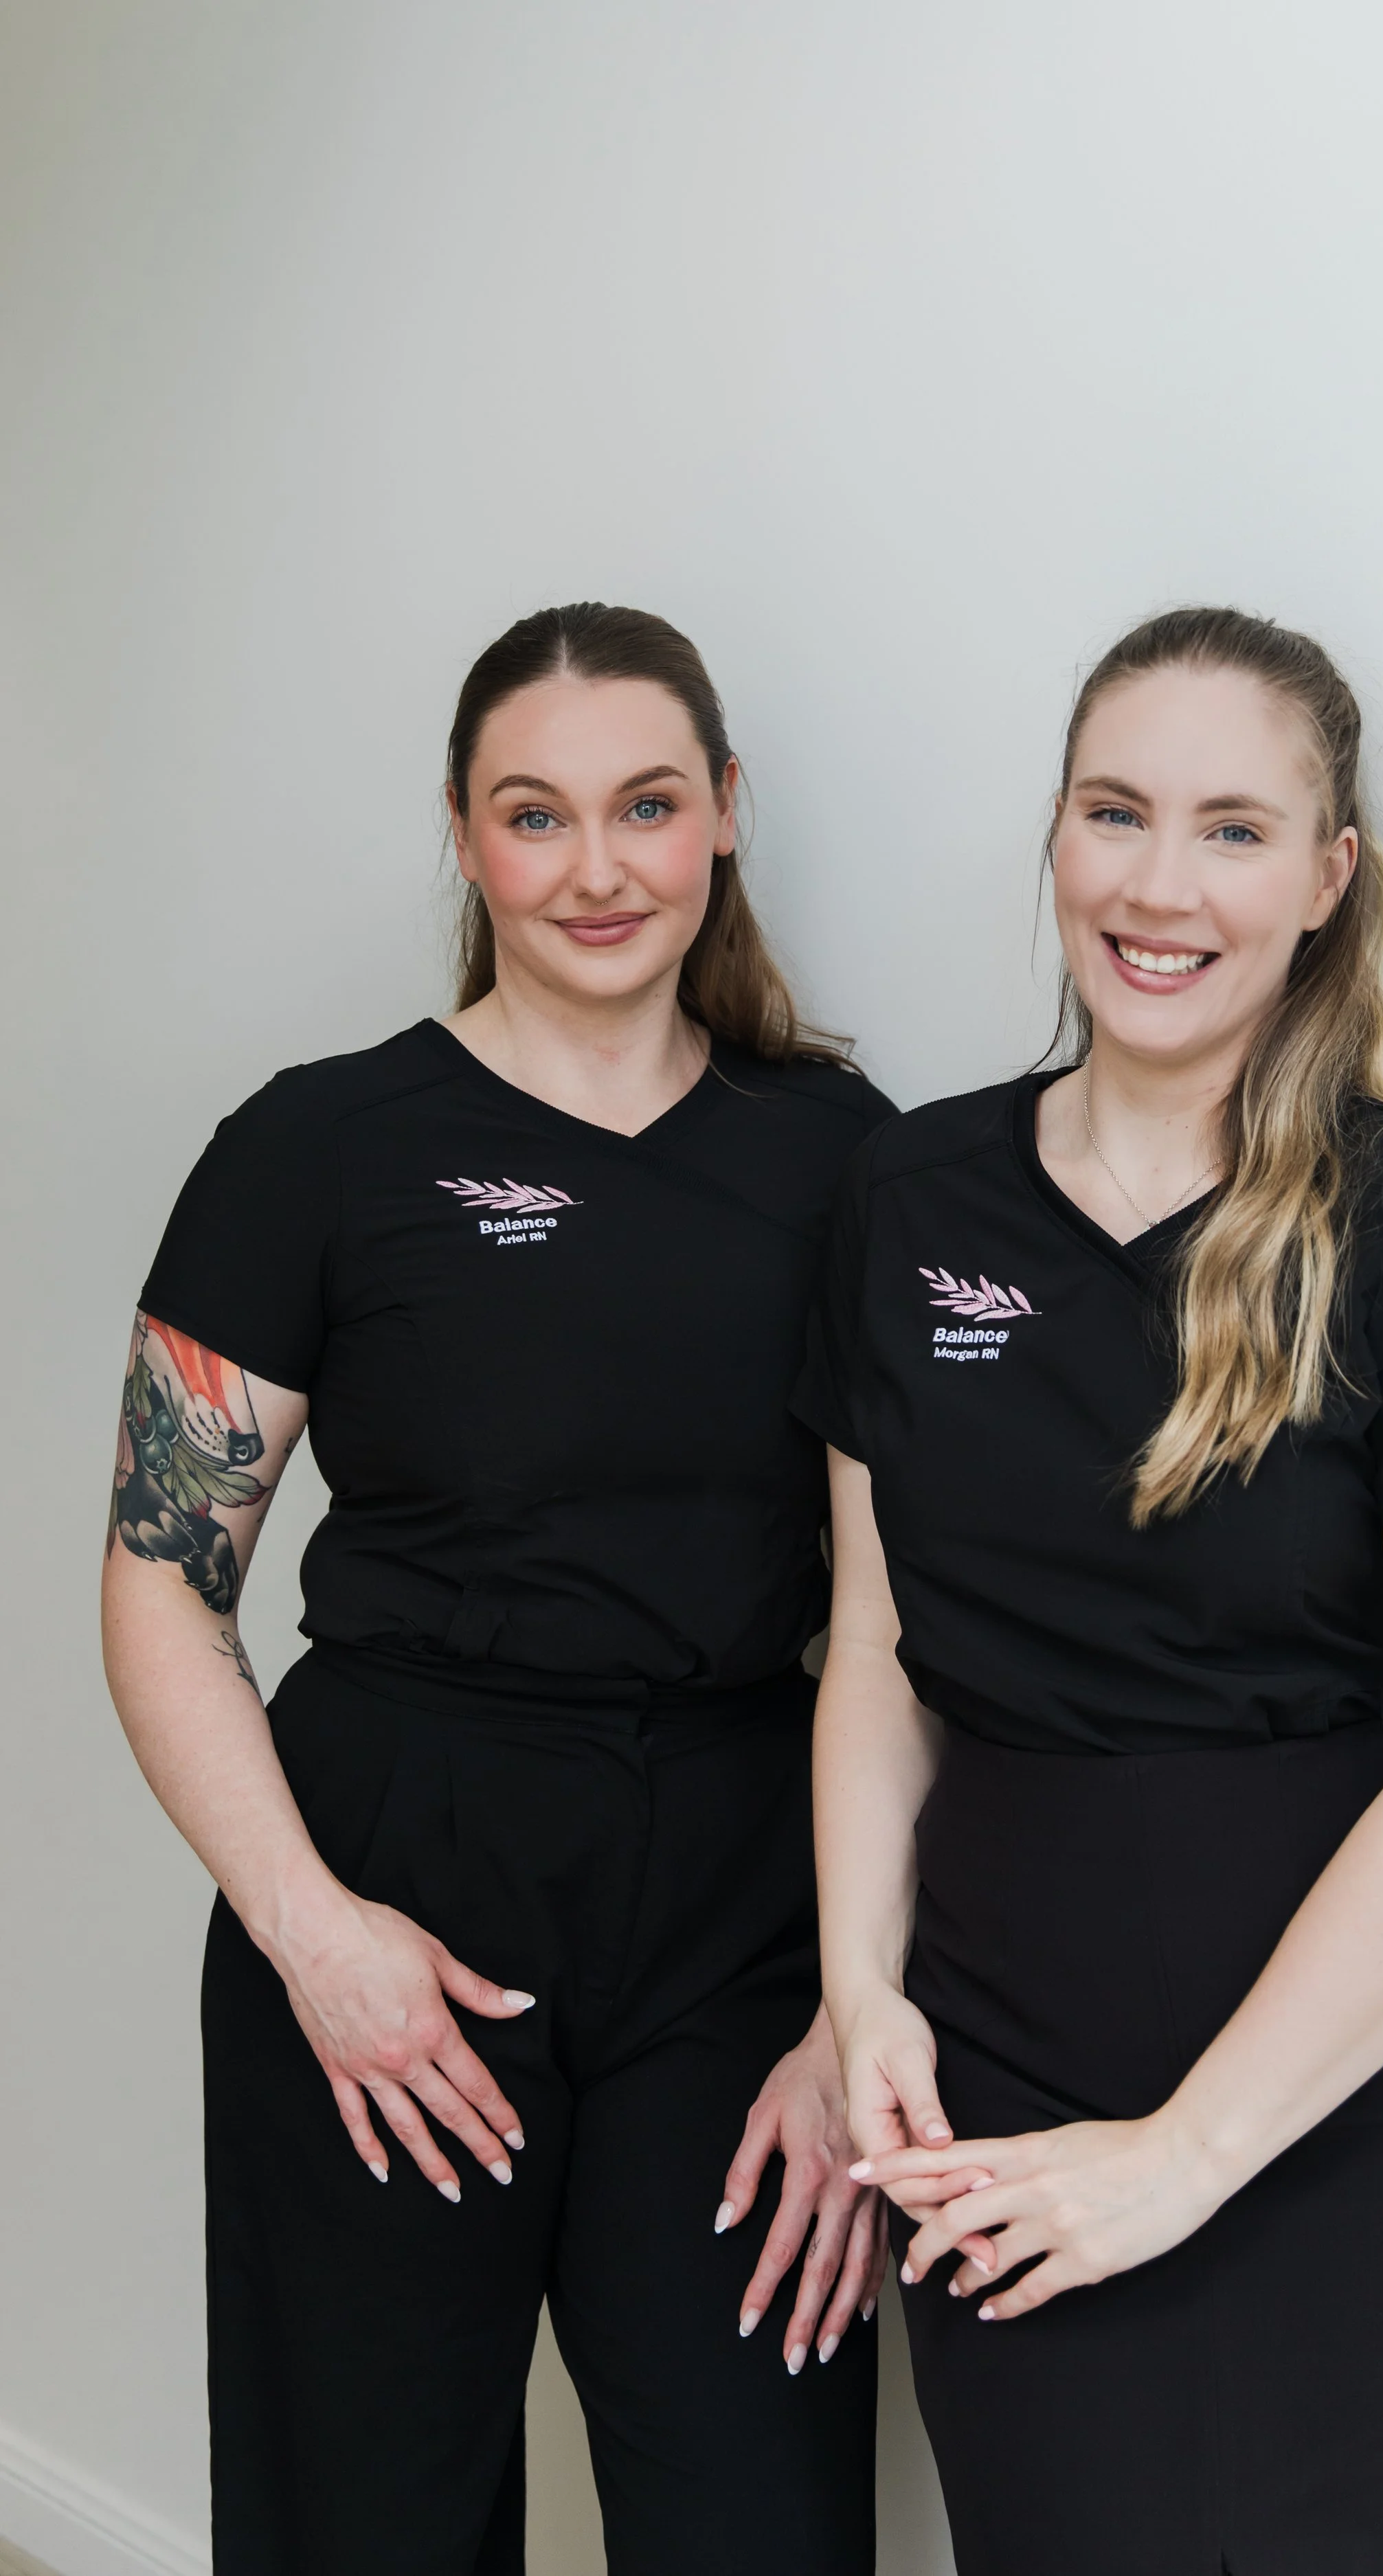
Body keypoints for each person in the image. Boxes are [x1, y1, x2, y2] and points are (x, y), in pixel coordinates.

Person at [802, 605, 1383, 2575]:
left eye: (1234, 829)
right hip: (1002, 2070)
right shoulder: (909, 1201)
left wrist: (1182, 2156)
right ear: (1055, 840)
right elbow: (875, 1660)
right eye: (1116, 812)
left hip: (1364, 2106)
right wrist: (853, 1993)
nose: (1160, 886)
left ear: (1327, 881)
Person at [101, 602, 892, 2576]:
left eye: (646, 803)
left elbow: (895, 1617)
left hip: (737, 1917)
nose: (598, 865)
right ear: (464, 838)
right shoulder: (315, 1149)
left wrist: (854, 2014)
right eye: (535, 814)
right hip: (390, 1871)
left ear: (724, 813)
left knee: (755, 2521)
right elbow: (160, 1584)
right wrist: (311, 1935)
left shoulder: (848, 1162)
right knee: (365, 2518)